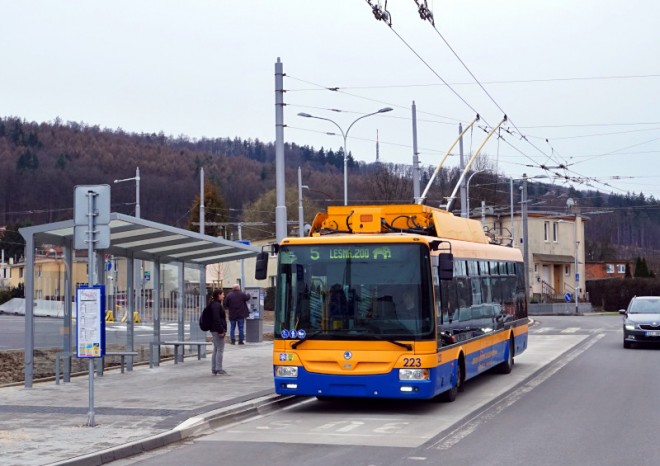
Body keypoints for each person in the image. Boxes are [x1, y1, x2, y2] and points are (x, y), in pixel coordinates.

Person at [209, 289, 229, 375]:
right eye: (222, 294)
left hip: (214, 329)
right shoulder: (217, 305)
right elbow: (217, 319)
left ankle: (214, 368)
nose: (224, 296)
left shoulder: (213, 304)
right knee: (220, 349)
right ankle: (219, 368)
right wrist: (221, 330)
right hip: (217, 330)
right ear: (219, 295)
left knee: (216, 349)